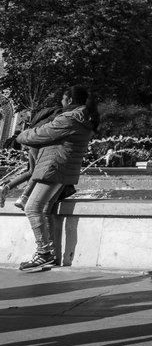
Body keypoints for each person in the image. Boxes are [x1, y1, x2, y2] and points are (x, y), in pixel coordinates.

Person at [14, 87, 100, 271]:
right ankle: (48, 254)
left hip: (54, 166)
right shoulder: (84, 119)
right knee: (45, 208)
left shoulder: (69, 119)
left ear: (69, 100)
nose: (61, 102)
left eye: (63, 98)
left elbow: (41, 133)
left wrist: (20, 136)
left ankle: (44, 253)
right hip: (62, 167)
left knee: (32, 207)